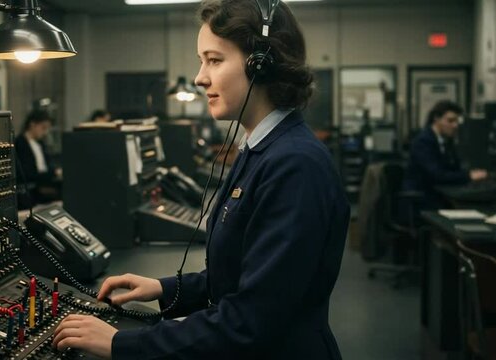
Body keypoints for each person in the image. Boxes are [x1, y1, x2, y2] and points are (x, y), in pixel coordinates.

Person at [52, 0, 350, 358]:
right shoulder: (259, 149)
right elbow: (238, 276)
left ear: (260, 65)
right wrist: (163, 288)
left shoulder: (295, 165)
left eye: (214, 59)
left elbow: (250, 320)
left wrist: (120, 342)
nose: (199, 77)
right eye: (201, 61)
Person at [403, 100, 488, 209]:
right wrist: (469, 176)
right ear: (436, 119)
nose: (455, 125)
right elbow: (437, 175)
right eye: (450, 121)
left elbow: (454, 169)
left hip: (437, 194)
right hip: (422, 199)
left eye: (457, 121)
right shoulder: (423, 142)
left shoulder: (446, 141)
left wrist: (472, 174)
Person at [14, 109, 61, 209]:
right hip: (31, 188)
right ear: (33, 125)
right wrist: (53, 173)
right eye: (43, 128)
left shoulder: (41, 144)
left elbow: (48, 165)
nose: (45, 132)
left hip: (44, 183)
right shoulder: (20, 143)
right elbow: (27, 173)